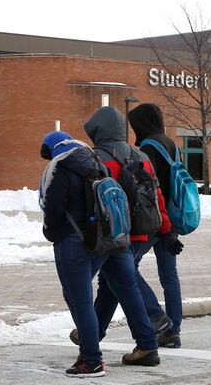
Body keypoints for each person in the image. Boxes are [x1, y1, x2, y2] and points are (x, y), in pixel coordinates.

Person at [80, 106, 172, 362]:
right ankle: (97, 333)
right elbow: (157, 196)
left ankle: (147, 336)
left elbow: (88, 200)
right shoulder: (140, 155)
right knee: (114, 283)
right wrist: (165, 230)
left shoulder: (94, 158)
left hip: (109, 235)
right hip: (140, 233)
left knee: (121, 284)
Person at [39, 130, 108, 378]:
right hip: (99, 240)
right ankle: (88, 352)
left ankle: (92, 360)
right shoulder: (94, 161)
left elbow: (52, 207)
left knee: (80, 301)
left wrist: (51, 232)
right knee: (77, 298)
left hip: (71, 241)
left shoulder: (61, 168)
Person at [128, 103, 186, 348]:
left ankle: (157, 318)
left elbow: (148, 185)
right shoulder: (171, 144)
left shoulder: (149, 146)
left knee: (127, 267)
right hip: (171, 218)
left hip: (154, 220)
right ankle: (173, 331)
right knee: (169, 276)